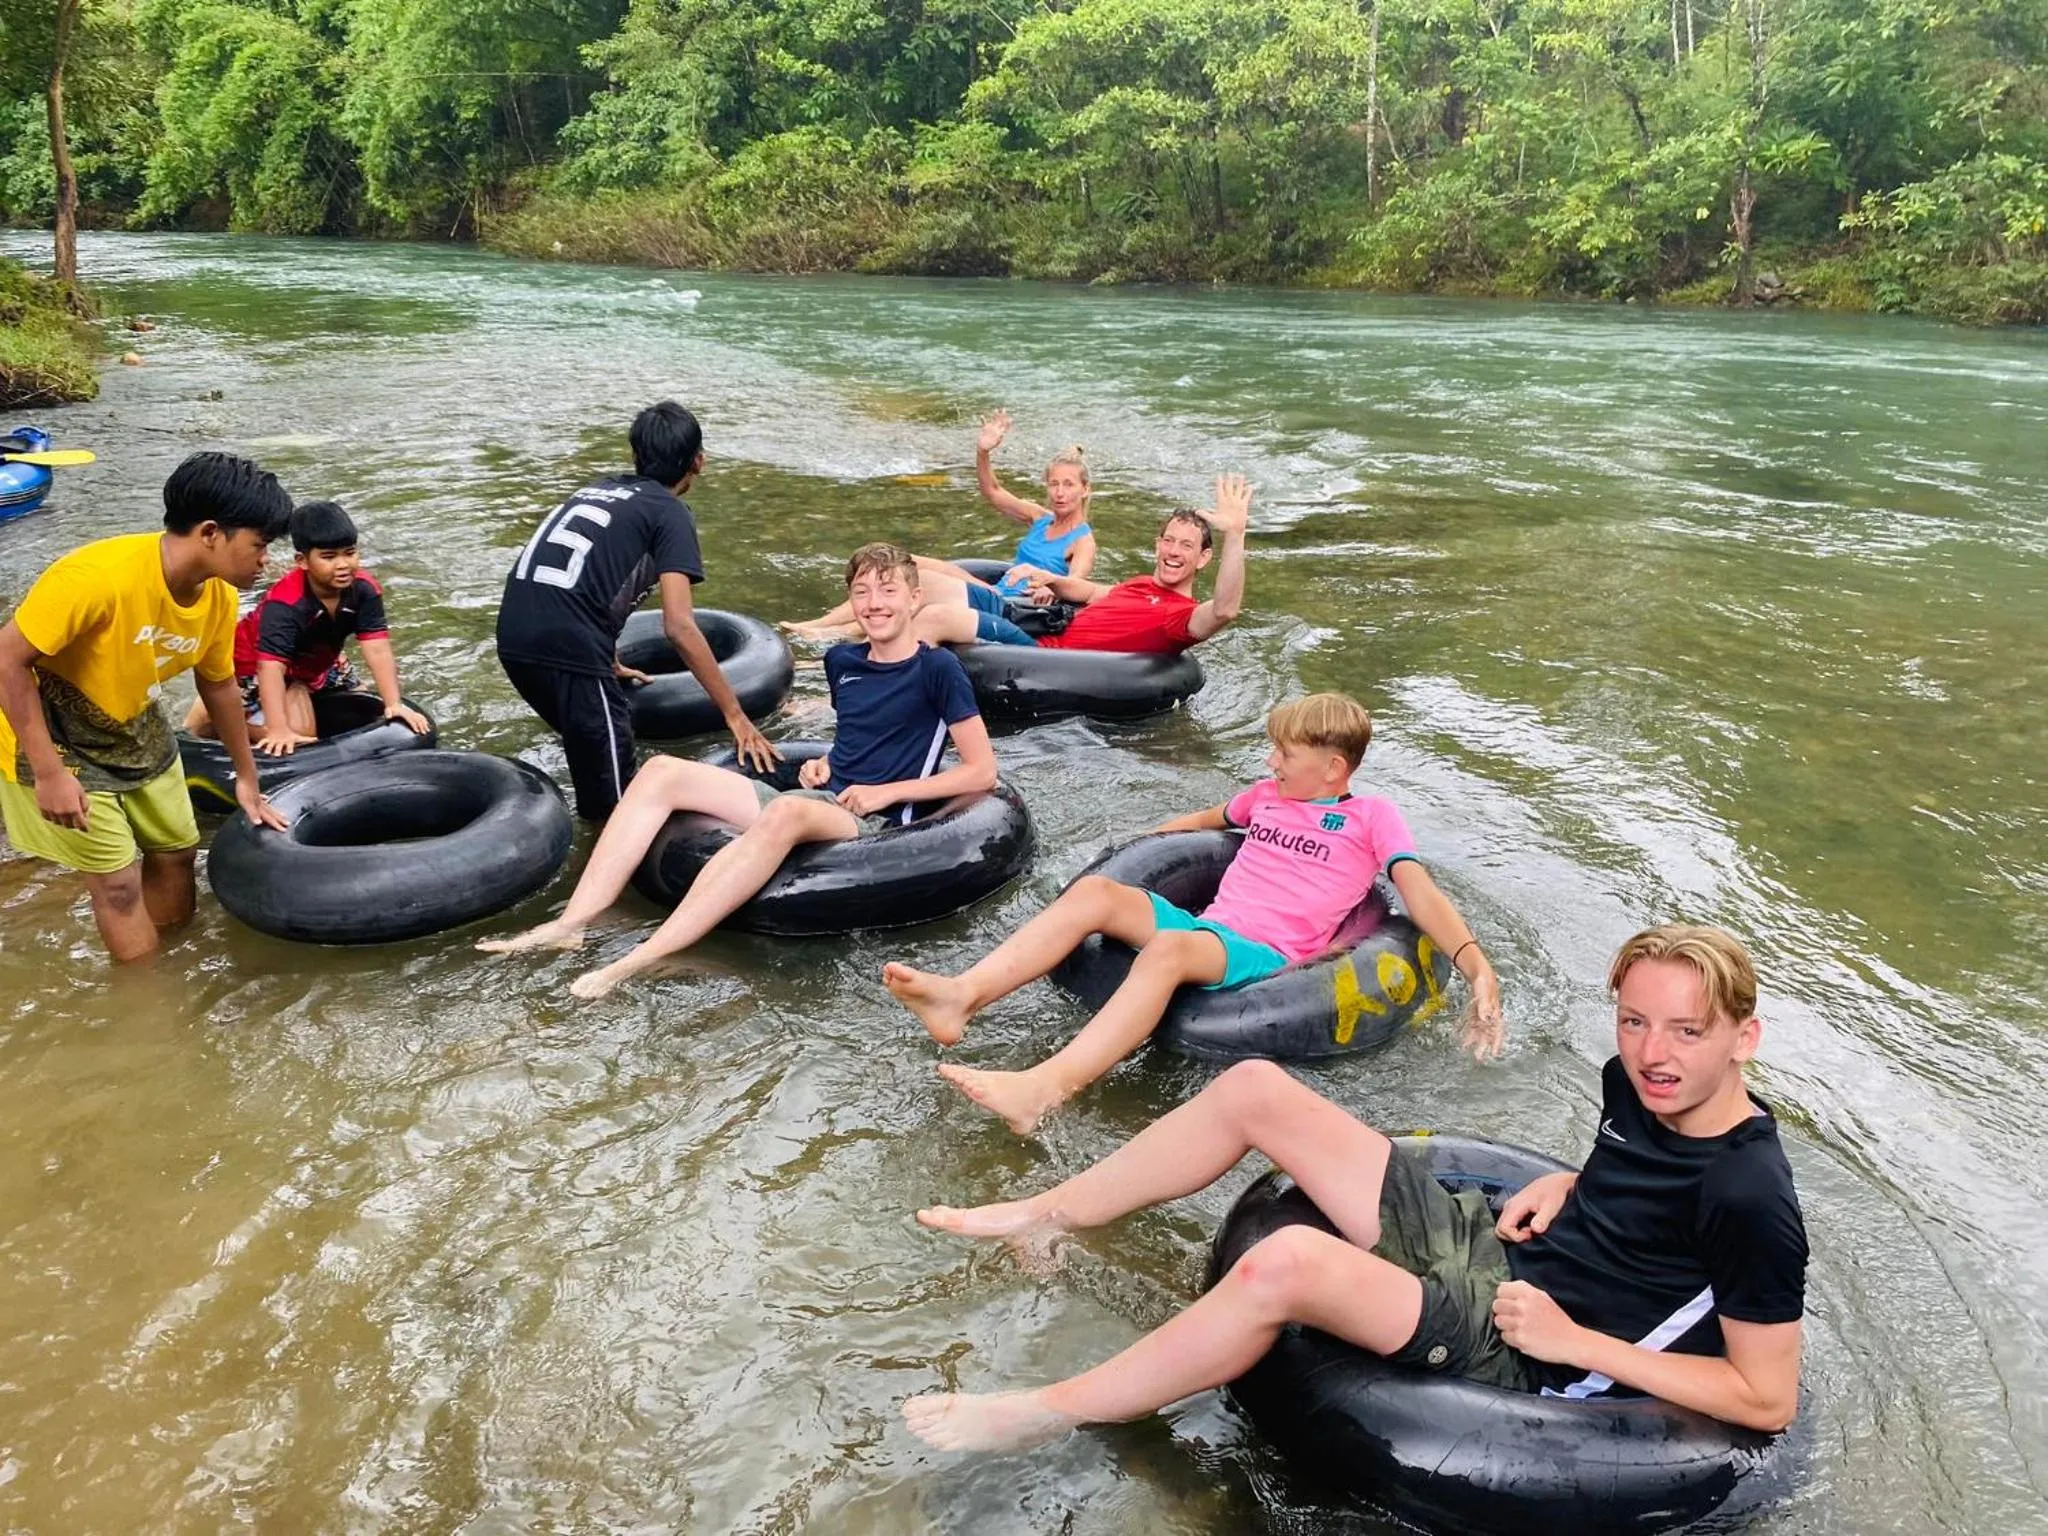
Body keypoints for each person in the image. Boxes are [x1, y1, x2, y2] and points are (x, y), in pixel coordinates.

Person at [900, 924, 1807, 1454]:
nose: (1653, 1052)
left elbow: (1767, 1399)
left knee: (1287, 1263)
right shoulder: (1638, 1083)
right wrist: (1574, 1181)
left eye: (1688, 1031)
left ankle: (1041, 1412)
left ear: (1746, 1038)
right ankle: (1043, 1214)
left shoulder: (1749, 1196)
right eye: (1635, 1021)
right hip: (1493, 1249)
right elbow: (1644, 1179)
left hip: (1527, 1351)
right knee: (1255, 1088)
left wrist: (1575, 1341)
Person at [884, 692, 1503, 1133]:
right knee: (1098, 894)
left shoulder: (1371, 817)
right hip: (1209, 925)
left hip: (1263, 951)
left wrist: (1478, 969)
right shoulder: (1265, 798)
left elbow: (1418, 892)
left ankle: (1045, 1089)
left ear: (1333, 768)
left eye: (1285, 754)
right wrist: (1135, 850)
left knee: (1171, 950)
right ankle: (962, 996)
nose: (1272, 762)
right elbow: (1197, 825)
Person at [479, 543, 999, 1000]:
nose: (873, 603)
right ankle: (573, 923)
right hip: (825, 796)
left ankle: (638, 958)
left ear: (914, 599)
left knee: (787, 811)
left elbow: (982, 772)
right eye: (861, 592)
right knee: (660, 771)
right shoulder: (843, 661)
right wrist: (826, 762)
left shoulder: (938, 670)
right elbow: (860, 737)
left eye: (887, 591)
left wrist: (886, 792)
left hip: (872, 820)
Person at [0, 452, 293, 961]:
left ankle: (176, 964)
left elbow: (219, 685)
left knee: (177, 850)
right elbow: (7, 661)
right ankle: (148, 994)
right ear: (210, 533)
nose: (265, 559)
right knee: (117, 885)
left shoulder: (217, 597)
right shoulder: (95, 578)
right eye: (260, 544)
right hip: (52, 731)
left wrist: (247, 777)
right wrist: (49, 773)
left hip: (134, 720)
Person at [495, 401, 778, 823]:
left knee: (598, 757)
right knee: (618, 806)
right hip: (570, 653)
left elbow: (588, 579)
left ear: (635, 455)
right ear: (699, 462)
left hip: (513, 641)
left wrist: (609, 661)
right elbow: (679, 626)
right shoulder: (670, 513)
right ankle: (595, 856)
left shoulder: (599, 489)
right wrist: (735, 715)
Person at [782, 410, 1096, 639]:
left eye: (1068, 485)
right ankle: (822, 623)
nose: (1059, 492)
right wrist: (983, 451)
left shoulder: (1082, 541)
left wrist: (1048, 585)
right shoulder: (1040, 517)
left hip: (1014, 606)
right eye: (1054, 484)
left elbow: (1076, 587)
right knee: (904, 563)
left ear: (1085, 490)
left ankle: (836, 632)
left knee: (923, 584)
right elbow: (993, 491)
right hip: (996, 591)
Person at [900, 473, 1250, 657]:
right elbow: (1091, 591)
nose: (1173, 551)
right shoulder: (1143, 584)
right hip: (1036, 621)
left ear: (1203, 558)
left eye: (1186, 545)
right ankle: (865, 644)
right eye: (1169, 541)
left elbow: (1225, 609)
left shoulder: (1182, 617)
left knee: (936, 617)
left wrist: (1234, 535)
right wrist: (1048, 577)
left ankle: (886, 696)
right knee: (924, 581)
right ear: (1158, 545)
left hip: (1040, 653)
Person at [180, 499, 430, 753]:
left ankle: (299, 693)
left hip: (319, 659)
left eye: (350, 553)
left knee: (361, 698)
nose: (343, 565)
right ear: (302, 561)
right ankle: (217, 723)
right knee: (298, 735)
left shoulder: (364, 590)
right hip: (253, 665)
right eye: (328, 557)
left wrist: (393, 703)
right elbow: (270, 668)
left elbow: (377, 648)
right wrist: (278, 729)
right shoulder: (286, 603)